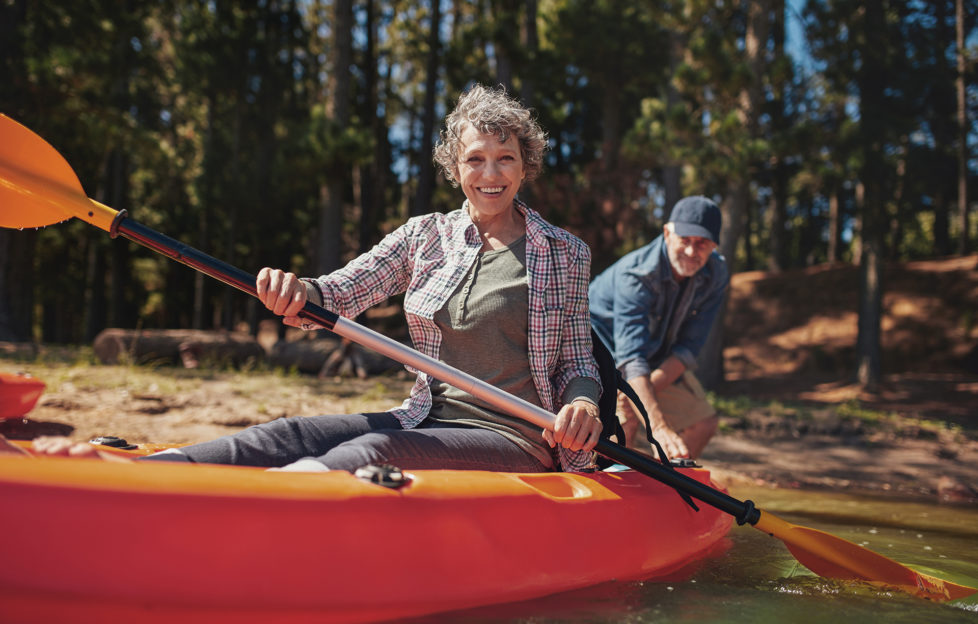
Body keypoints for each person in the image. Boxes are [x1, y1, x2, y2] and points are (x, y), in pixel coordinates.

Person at [29, 84, 605, 473]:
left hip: (518, 437)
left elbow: (579, 364)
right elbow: (339, 292)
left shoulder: (562, 252)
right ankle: (140, 475)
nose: (490, 173)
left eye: (505, 159)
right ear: (455, 169)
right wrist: (297, 291)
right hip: (424, 415)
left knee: (373, 449)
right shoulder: (425, 236)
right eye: (475, 159)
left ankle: (276, 510)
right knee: (288, 433)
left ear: (526, 165)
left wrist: (583, 408)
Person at [588, 196, 729, 460]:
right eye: (685, 240)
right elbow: (630, 360)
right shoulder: (636, 275)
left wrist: (635, 398)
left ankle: (665, 488)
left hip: (651, 361)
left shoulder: (716, 273)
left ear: (714, 246)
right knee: (622, 427)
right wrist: (658, 426)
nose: (691, 251)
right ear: (667, 233)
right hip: (596, 354)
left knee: (703, 424)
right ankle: (612, 487)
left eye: (702, 244)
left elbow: (688, 349)